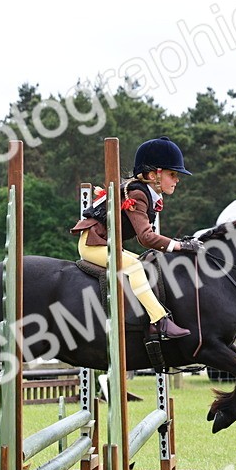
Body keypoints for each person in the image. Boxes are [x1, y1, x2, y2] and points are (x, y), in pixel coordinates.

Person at [70, 136, 200, 339]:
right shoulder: (137, 194)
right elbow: (146, 237)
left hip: (106, 244)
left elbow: (143, 238)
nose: (177, 179)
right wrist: (179, 245)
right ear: (152, 175)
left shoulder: (143, 193)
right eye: (172, 174)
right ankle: (159, 321)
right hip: (93, 245)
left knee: (141, 264)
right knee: (136, 267)